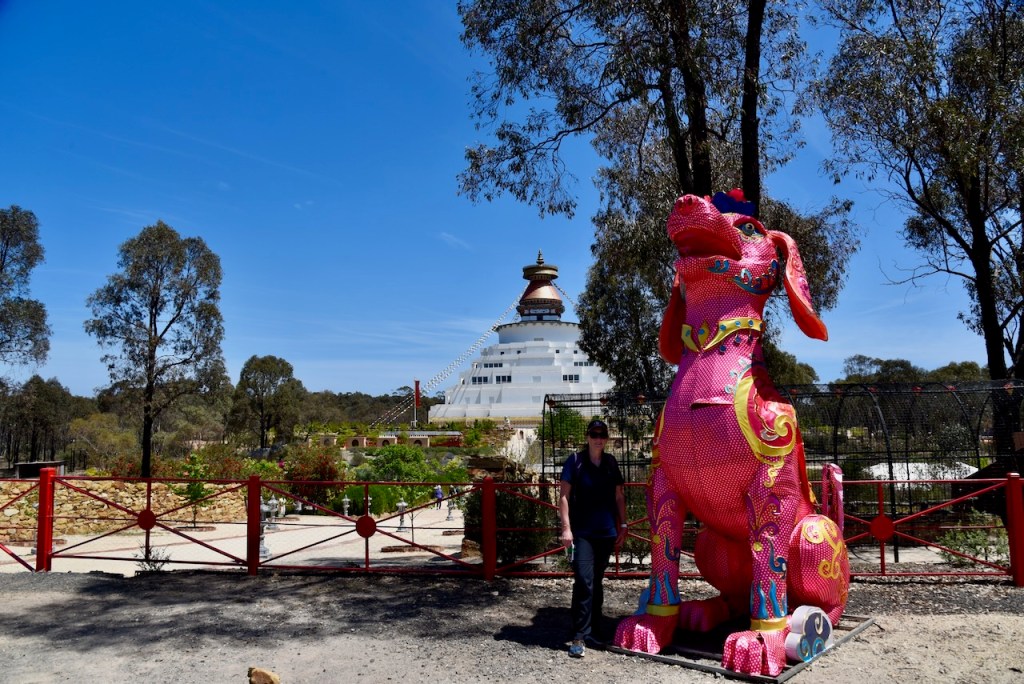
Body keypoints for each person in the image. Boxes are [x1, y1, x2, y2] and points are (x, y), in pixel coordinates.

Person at [559, 418, 627, 658]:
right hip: (582, 533)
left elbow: (619, 495)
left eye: (602, 435)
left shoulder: (610, 463)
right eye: (594, 434)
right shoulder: (575, 461)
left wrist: (624, 524)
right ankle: (579, 634)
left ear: (606, 439)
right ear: (587, 437)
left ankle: (593, 630)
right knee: (584, 580)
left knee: (596, 581)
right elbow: (564, 496)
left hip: (606, 532)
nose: (598, 439)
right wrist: (566, 529)